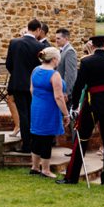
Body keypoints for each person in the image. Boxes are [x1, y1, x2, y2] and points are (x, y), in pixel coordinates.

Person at [62, 34, 104, 185]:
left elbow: (79, 84)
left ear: (92, 46)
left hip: (92, 103)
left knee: (82, 138)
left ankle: (72, 177)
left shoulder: (86, 61)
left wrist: (75, 104)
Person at [5, 17, 45, 152]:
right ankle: (33, 144)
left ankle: (26, 144)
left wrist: (17, 74)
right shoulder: (40, 46)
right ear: (38, 30)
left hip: (17, 84)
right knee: (33, 113)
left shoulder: (14, 42)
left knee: (23, 114)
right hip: (34, 85)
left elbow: (8, 64)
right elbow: (41, 67)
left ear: (28, 28)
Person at [29, 46, 69, 178]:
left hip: (36, 106)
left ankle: (34, 167)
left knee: (37, 136)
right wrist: (66, 113)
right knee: (46, 138)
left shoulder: (36, 70)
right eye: (58, 59)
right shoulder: (54, 74)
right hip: (49, 108)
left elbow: (31, 90)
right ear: (54, 59)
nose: (58, 61)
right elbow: (58, 97)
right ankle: (45, 170)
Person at [55, 28, 78, 103]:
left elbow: (70, 74)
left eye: (58, 38)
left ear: (66, 38)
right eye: (56, 38)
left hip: (64, 92)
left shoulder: (69, 51)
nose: (56, 40)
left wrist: (66, 92)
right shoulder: (61, 50)